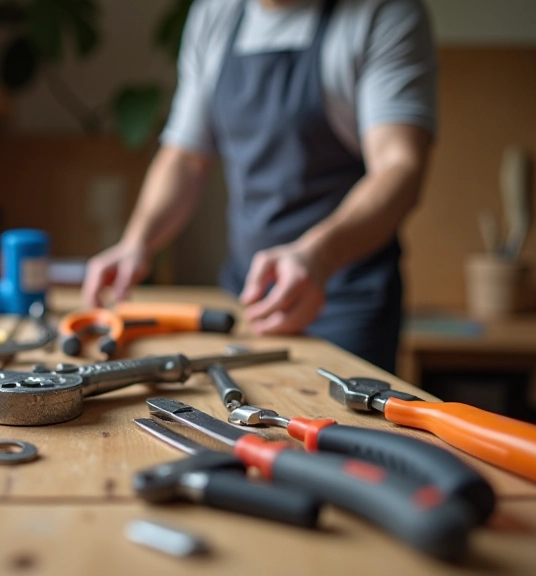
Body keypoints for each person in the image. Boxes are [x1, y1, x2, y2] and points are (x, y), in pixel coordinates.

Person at [82, 0, 436, 373]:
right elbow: (185, 157)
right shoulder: (216, 13)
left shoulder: (381, 12)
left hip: (346, 301)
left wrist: (319, 255)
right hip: (246, 297)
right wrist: (138, 242)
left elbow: (399, 166)